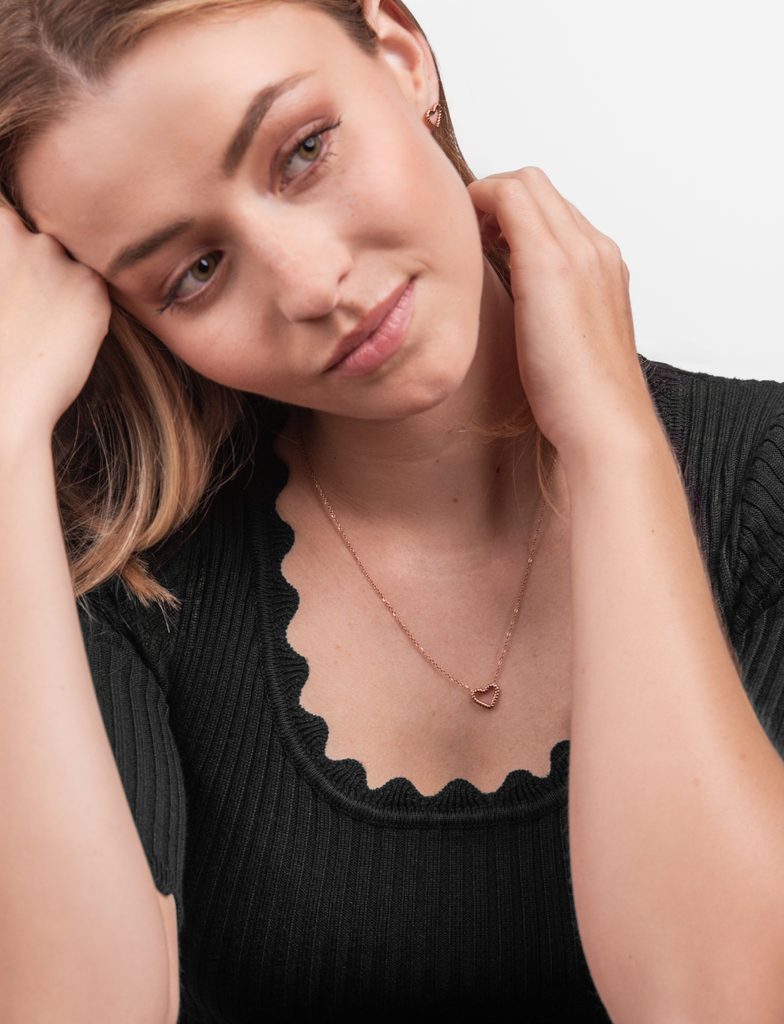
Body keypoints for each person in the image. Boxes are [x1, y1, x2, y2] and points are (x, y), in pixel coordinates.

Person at [1, 0, 783, 1020]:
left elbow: (718, 1002)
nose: (311, 282)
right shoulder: (117, 583)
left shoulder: (764, 480)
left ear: (404, 55)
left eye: (304, 152)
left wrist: (611, 443)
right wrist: (7, 441)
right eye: (194, 273)